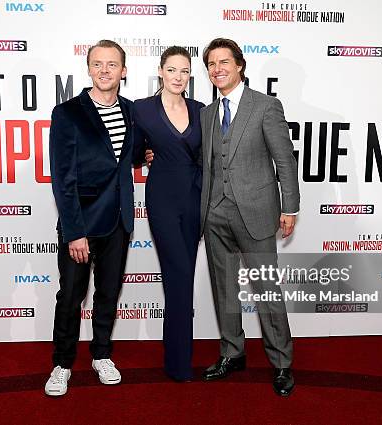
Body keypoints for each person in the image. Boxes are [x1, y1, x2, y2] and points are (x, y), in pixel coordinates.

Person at [199, 38, 300, 396]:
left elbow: (284, 160)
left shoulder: (266, 106)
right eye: (211, 63)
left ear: (239, 65)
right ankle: (232, 352)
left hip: (256, 212)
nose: (217, 69)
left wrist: (290, 206)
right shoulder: (207, 113)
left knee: (266, 289)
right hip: (214, 214)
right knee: (224, 288)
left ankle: (282, 362)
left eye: (224, 61)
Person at [45, 39, 134, 396]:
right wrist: (74, 231)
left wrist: (148, 154)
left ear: (123, 71)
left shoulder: (131, 111)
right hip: (80, 223)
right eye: (97, 64)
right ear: (88, 69)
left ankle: (101, 355)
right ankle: (62, 363)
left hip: (118, 221)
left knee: (108, 294)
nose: (104, 71)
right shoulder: (67, 113)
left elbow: (124, 157)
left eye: (112, 65)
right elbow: (62, 177)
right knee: (70, 296)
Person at [133, 46, 204, 381]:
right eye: (173, 70)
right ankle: (179, 363)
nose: (179, 77)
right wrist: (146, 155)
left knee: (184, 276)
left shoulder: (201, 110)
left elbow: (208, 158)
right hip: (161, 197)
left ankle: (177, 355)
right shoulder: (142, 109)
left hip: (194, 200)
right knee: (177, 274)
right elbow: (133, 153)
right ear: (160, 71)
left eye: (185, 71)